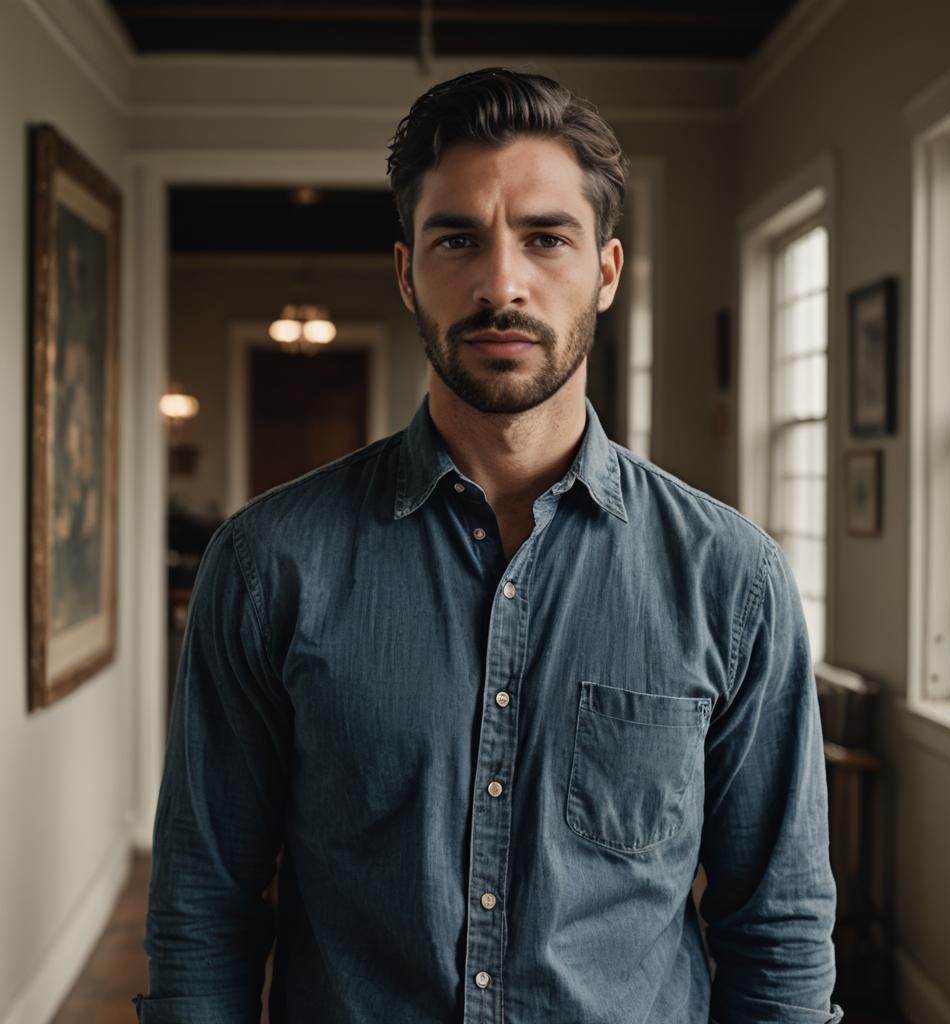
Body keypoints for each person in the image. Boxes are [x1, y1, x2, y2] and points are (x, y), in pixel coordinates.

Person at [137, 68, 842, 1024]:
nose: (501, 283)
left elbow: (780, 926)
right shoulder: (267, 567)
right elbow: (204, 906)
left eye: (546, 238)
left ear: (606, 269)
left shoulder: (733, 580)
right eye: (457, 239)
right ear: (406, 271)